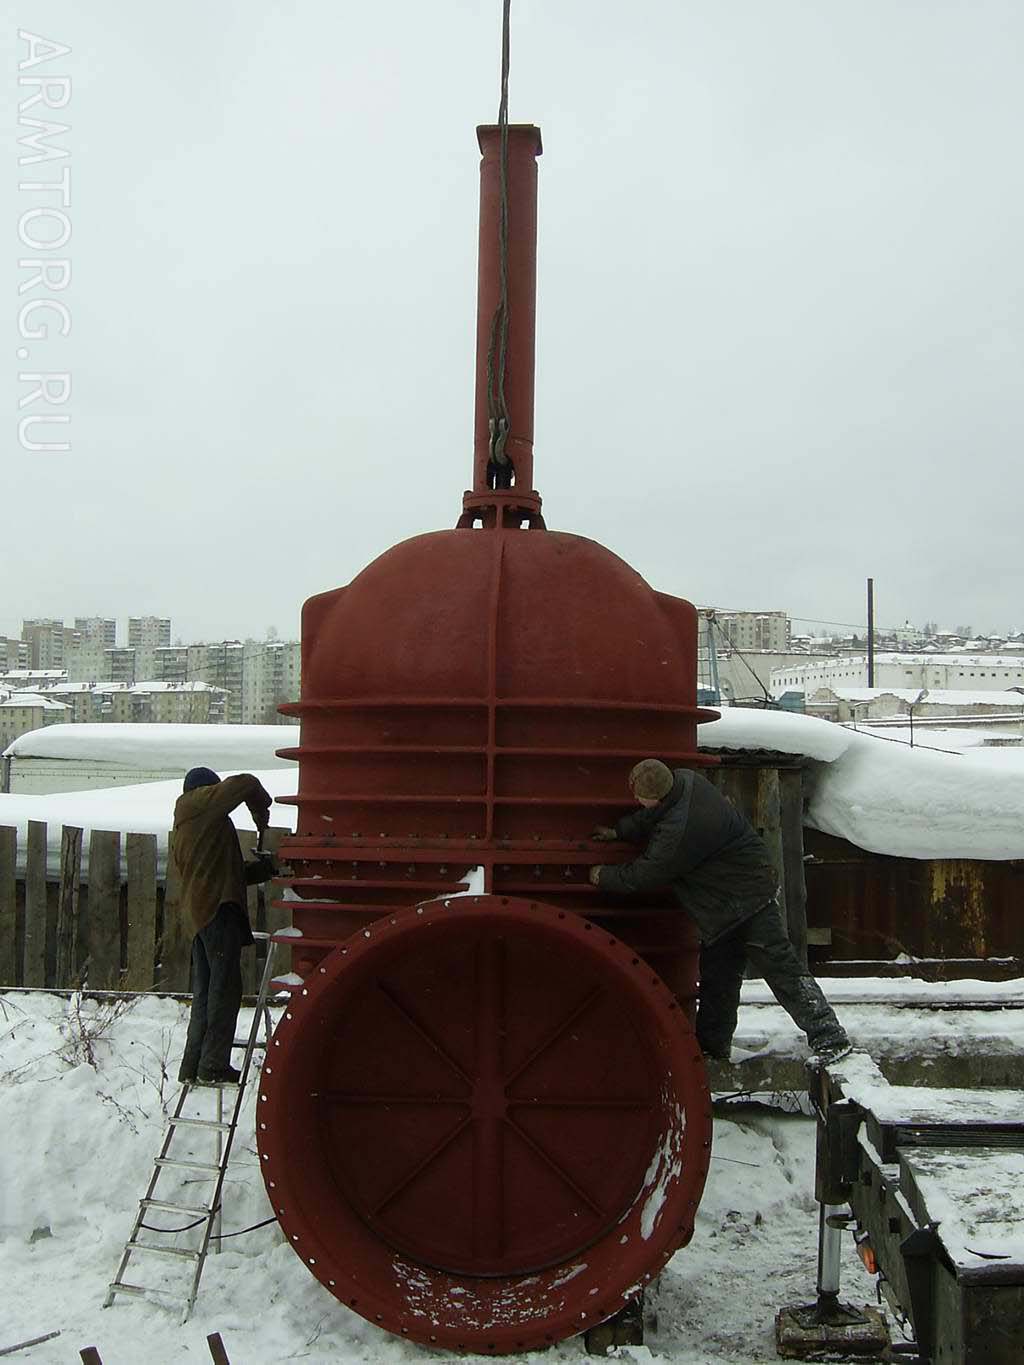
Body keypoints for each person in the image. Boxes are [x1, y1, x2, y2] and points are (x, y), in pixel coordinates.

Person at [589, 758, 851, 1065]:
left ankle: (831, 1039)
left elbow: (645, 874)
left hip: (749, 900)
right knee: (718, 981)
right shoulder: (685, 780)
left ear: (656, 796)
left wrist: (600, 876)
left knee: (781, 970)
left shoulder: (681, 831)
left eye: (639, 797)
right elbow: (654, 815)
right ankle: (712, 1051)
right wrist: (620, 832)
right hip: (724, 906)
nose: (635, 801)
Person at [173, 767, 276, 1086]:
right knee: (224, 991)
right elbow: (246, 783)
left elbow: (222, 871)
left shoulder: (191, 825)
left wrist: (263, 870)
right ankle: (214, 1064)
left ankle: (193, 1064)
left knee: (206, 993)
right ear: (205, 791)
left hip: (200, 916)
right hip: (217, 912)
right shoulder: (199, 804)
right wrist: (261, 809)